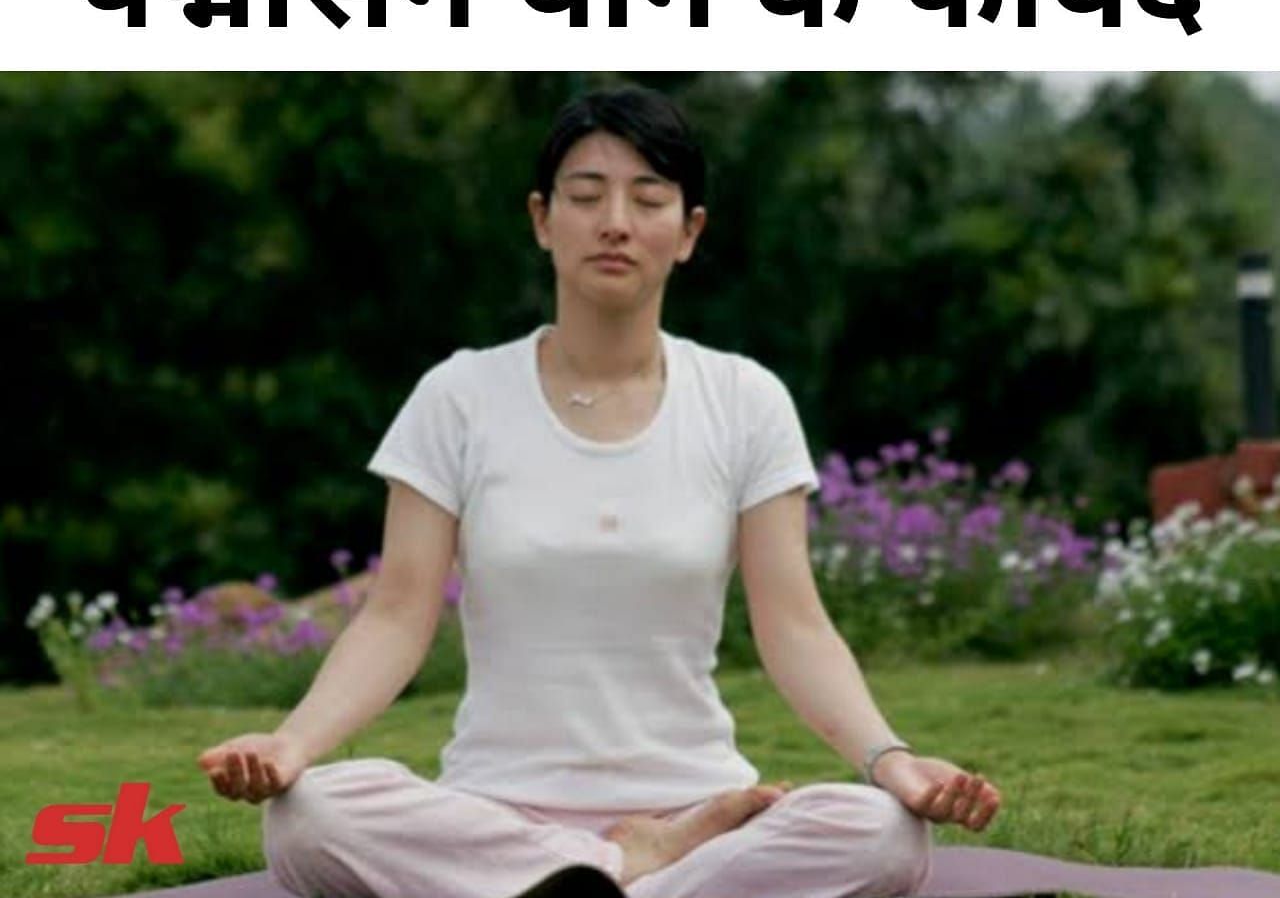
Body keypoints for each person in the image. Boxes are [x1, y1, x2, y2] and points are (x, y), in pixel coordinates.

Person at [197, 85, 1002, 898]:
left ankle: (575, 884)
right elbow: (398, 614)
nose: (615, 220)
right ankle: (626, 872)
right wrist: (293, 745)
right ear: (543, 220)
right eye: (586, 196)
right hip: (495, 809)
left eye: (648, 198)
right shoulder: (461, 395)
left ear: (688, 233)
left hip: (694, 800)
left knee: (884, 835)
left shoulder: (744, 399)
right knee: (308, 818)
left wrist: (890, 761)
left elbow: (794, 625)